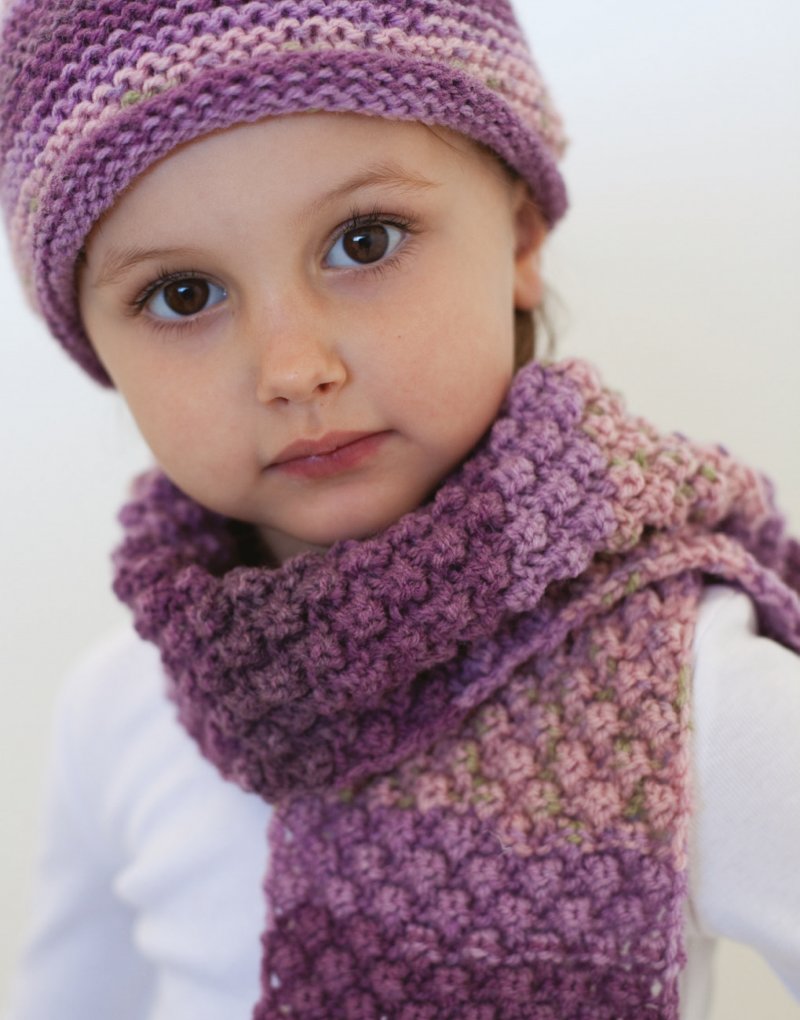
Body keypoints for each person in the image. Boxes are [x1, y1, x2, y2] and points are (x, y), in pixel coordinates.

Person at [1, 2, 799, 1018]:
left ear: (518, 240)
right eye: (185, 295)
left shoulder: (682, 683)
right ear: (96, 348)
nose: (293, 368)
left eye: (363, 241)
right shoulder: (117, 710)